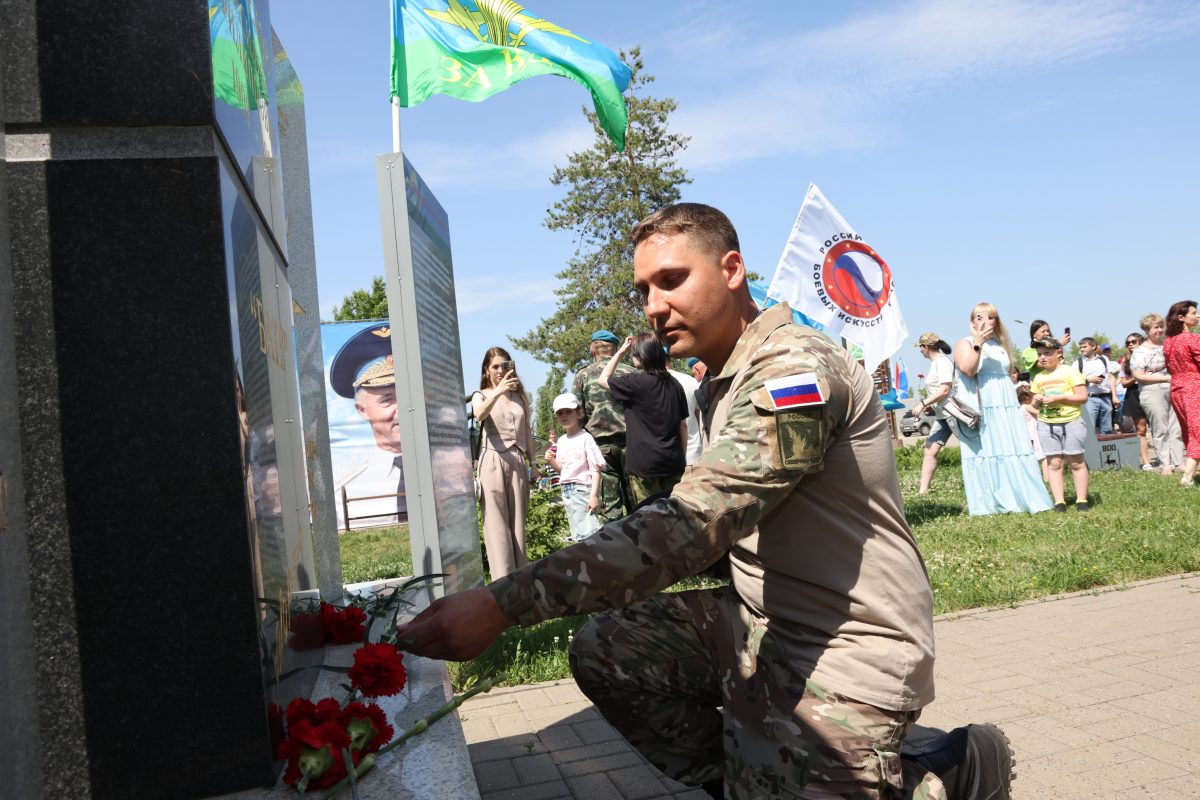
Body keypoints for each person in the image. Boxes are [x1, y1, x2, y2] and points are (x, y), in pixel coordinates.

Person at [397, 202, 1012, 800]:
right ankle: (762, 773)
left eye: (672, 280)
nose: (654, 306)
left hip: (848, 642)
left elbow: (695, 522)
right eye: (644, 289)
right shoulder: (724, 378)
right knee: (607, 649)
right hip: (759, 621)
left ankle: (940, 771)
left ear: (732, 270)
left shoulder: (793, 368)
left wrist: (504, 604)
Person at [953, 303, 1053, 515]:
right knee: (988, 451)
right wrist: (978, 343)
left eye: (991, 317)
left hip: (1005, 405)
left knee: (1012, 448)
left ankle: (1022, 496)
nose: (986, 322)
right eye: (980, 317)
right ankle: (992, 501)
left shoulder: (1001, 344)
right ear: (972, 321)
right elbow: (968, 369)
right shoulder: (965, 343)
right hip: (983, 406)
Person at [328, 323, 407, 529]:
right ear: (362, 410)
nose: (402, 409)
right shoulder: (347, 492)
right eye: (387, 400)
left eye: (407, 396)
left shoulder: (445, 476)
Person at [599, 332, 689, 508]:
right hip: (672, 462)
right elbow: (683, 425)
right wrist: (682, 460)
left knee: (646, 518)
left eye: (633, 352)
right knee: (674, 515)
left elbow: (603, 379)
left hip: (643, 465)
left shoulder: (634, 382)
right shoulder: (674, 384)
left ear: (641, 355)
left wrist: (619, 352)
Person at [472, 347, 539, 578]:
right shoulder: (480, 394)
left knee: (518, 527)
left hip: (518, 461)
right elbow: (479, 414)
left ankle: (521, 583)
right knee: (496, 528)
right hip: (492, 460)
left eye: (504, 365)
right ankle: (502, 586)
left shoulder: (520, 397)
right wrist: (498, 391)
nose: (500, 370)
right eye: (495, 366)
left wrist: (534, 464)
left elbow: (527, 432)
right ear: (486, 370)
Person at [572, 330, 636, 522]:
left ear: (593, 350)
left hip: (600, 449)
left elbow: (576, 412)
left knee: (609, 509)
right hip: (631, 445)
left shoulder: (583, 375)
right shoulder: (631, 373)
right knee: (638, 503)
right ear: (616, 349)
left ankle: (615, 548)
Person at [1029, 338, 1090, 511]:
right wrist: (1037, 401)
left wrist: (1060, 398)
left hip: (1071, 422)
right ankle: (1059, 502)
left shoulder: (1070, 372)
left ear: (1059, 353)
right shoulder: (1039, 377)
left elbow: (1082, 397)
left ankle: (1081, 500)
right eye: (1039, 354)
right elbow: (1033, 404)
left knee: (1076, 462)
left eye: (1047, 353)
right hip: (1047, 424)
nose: (1042, 357)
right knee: (1054, 463)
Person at [545, 392, 604, 541]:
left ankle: (597, 561)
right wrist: (551, 461)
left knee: (589, 534)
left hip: (582, 490)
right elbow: (563, 470)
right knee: (578, 532)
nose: (564, 416)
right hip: (567, 490)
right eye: (560, 413)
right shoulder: (562, 441)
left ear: (579, 413)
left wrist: (594, 496)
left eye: (568, 411)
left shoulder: (585, 438)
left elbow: (596, 469)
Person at [1132, 313, 1184, 476]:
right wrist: (1165, 377)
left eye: (1161, 326)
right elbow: (1138, 375)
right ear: (1147, 329)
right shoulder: (1140, 352)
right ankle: (1165, 463)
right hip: (1152, 391)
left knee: (1176, 428)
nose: (1159, 330)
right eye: (1156, 327)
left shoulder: (1167, 345)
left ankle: (1179, 462)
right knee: (1160, 428)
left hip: (1173, 388)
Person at [1163, 299, 1200, 486]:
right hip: (1194, 387)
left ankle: (1189, 472)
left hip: (1176, 388)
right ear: (1181, 318)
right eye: (1194, 313)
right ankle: (1187, 477)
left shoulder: (1168, 342)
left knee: (1189, 432)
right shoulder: (1192, 339)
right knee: (1198, 433)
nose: (1198, 316)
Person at [914, 332, 954, 494]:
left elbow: (945, 389)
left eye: (921, 347)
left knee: (971, 449)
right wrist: (931, 405)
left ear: (927, 347)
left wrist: (923, 403)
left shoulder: (942, 362)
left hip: (953, 414)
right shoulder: (935, 363)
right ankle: (922, 492)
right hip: (942, 415)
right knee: (929, 450)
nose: (920, 351)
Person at [1119, 333, 1152, 468]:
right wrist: (1136, 377)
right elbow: (1124, 383)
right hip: (1134, 394)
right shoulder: (1125, 362)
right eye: (1128, 343)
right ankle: (1146, 462)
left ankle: (1166, 460)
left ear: (1141, 342)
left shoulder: (1151, 356)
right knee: (1141, 429)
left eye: (1133, 341)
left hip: (1152, 392)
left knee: (1160, 428)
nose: (1130, 344)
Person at [1075, 337, 1117, 435]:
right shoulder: (1078, 363)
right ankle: (1090, 450)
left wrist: (1114, 396)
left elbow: (1111, 377)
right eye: (1080, 347)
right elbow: (1074, 382)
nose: (1082, 349)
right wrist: (1088, 380)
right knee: (1089, 428)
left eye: (1084, 347)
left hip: (1105, 398)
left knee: (1107, 429)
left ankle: (1107, 449)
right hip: (1089, 399)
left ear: (1093, 346)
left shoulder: (1104, 359)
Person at [668, 361, 705, 467]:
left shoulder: (649, 382)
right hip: (693, 452)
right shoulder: (692, 381)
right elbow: (699, 416)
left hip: (665, 455)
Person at [1016, 385, 1049, 482]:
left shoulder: (1021, 407)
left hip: (1029, 433)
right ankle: (1046, 478)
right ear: (1027, 398)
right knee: (1044, 456)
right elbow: (1039, 413)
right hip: (1034, 433)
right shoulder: (1026, 407)